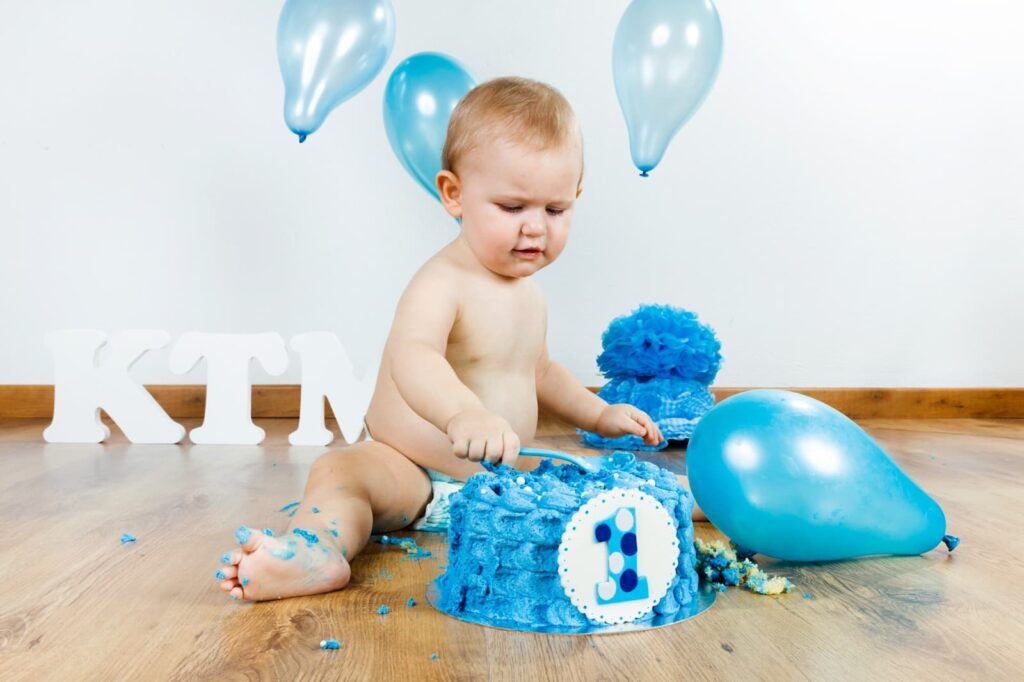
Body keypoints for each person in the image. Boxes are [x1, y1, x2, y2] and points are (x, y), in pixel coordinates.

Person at [216, 77, 699, 602]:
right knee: (341, 472)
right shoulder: (442, 281)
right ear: (454, 194)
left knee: (609, 477)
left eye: (555, 210)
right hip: (410, 470)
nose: (535, 228)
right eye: (513, 208)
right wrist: (461, 414)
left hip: (504, 481)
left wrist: (598, 413)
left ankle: (705, 500)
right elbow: (412, 356)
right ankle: (317, 550)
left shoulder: (528, 295)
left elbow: (540, 372)